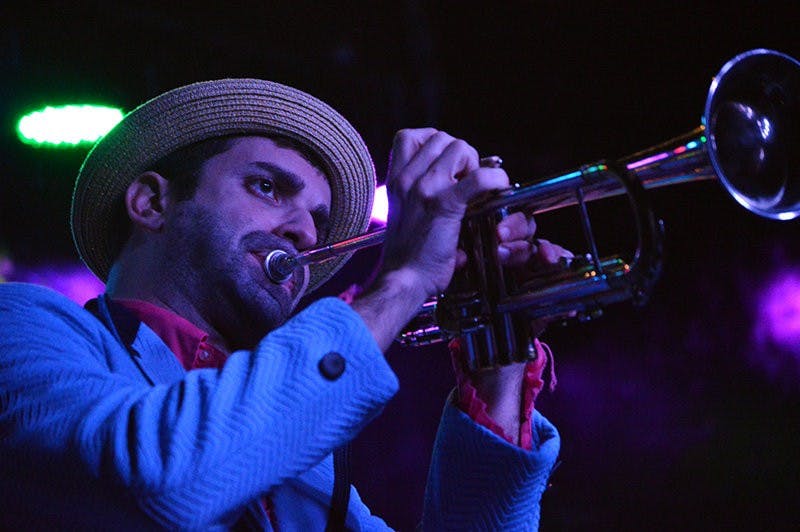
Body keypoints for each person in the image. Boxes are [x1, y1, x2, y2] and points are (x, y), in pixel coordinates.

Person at [0, 79, 562, 530]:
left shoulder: (307, 459)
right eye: (268, 187)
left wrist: (500, 362)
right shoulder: (25, 323)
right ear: (151, 202)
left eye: (319, 219)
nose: (304, 234)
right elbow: (159, 483)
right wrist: (407, 276)